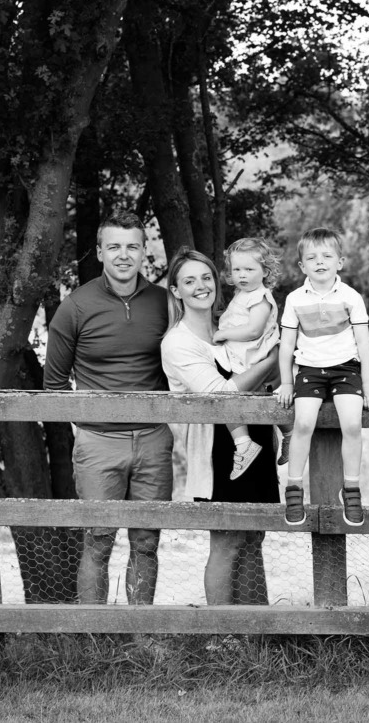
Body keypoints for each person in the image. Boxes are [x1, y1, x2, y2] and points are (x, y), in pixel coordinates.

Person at [44, 210, 171, 605]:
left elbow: (184, 366)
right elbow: (53, 384)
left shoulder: (165, 303)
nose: (123, 255)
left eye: (132, 246)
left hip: (153, 441)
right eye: (114, 246)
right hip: (98, 443)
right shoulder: (76, 306)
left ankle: (139, 631)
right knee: (98, 543)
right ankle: (94, 639)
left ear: (144, 251)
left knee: (146, 543)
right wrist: (91, 424)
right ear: (99, 252)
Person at [161, 248, 282, 604]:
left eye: (206, 277)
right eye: (189, 280)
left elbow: (266, 382)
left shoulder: (230, 327)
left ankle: (254, 631)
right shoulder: (178, 342)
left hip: (255, 435)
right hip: (218, 451)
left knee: (253, 536)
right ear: (176, 291)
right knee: (228, 539)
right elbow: (221, 393)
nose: (201, 286)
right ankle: (223, 634)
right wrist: (273, 358)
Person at [276, 227, 369, 527]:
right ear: (302, 266)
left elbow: (364, 342)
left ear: (340, 262)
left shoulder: (350, 297)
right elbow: (287, 346)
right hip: (309, 370)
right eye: (312, 257)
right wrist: (286, 381)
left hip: (346, 369)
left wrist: (368, 383)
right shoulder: (295, 299)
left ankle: (352, 488)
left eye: (327, 256)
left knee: (352, 424)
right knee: (304, 423)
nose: (320, 262)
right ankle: (294, 488)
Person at [212, 237, 281, 480]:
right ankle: (285, 432)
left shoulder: (260, 297)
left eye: (250, 269)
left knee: (226, 398)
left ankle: (244, 443)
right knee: (253, 398)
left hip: (252, 358)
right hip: (244, 357)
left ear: (265, 271)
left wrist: (222, 333)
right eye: (237, 269)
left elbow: (253, 330)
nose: (242, 275)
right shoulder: (243, 294)